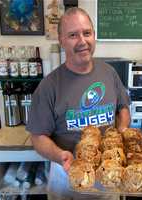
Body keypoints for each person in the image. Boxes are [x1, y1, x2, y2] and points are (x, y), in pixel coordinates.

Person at [26, 7, 130, 200]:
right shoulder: (49, 86)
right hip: (67, 175)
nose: (82, 41)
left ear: (94, 35)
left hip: (108, 171)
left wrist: (122, 131)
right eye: (73, 35)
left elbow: (123, 107)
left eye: (87, 33)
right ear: (61, 40)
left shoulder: (109, 73)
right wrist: (60, 155)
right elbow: (38, 136)